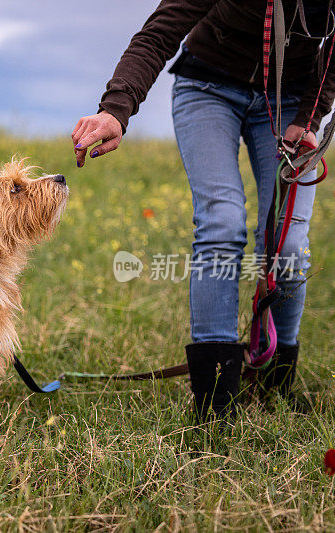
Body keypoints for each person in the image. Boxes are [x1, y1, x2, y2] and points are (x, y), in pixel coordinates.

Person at [72, 0, 335, 420]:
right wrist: (115, 109)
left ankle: (275, 384)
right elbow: (160, 31)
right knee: (222, 222)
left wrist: (310, 116)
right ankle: (215, 406)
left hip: (292, 98)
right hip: (207, 87)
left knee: (287, 244)